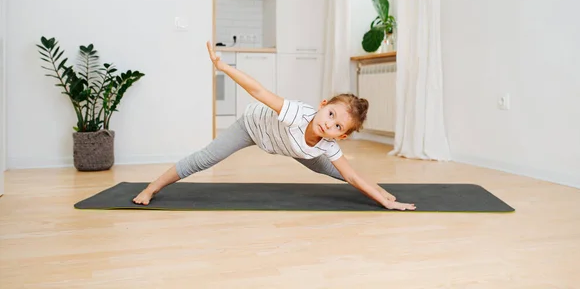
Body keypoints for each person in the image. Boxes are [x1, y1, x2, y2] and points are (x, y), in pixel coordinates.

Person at [133, 42, 416, 211]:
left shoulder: (327, 144)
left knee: (341, 173)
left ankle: (382, 191)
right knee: (207, 157)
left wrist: (385, 201)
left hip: (293, 147)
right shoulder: (298, 115)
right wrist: (224, 67)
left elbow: (352, 176)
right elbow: (258, 92)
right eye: (329, 113)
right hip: (254, 127)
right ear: (322, 104)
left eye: (336, 125)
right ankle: (152, 188)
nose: (327, 123)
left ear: (341, 136)